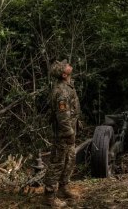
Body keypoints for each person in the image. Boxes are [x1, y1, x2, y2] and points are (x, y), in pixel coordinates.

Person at [44, 60, 80, 208]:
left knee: (69, 160)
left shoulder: (68, 86)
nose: (68, 64)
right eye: (65, 66)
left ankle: (63, 188)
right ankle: (50, 197)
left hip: (70, 130)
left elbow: (71, 110)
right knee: (57, 162)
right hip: (64, 133)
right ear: (64, 74)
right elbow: (62, 115)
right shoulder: (62, 91)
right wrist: (69, 131)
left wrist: (77, 123)